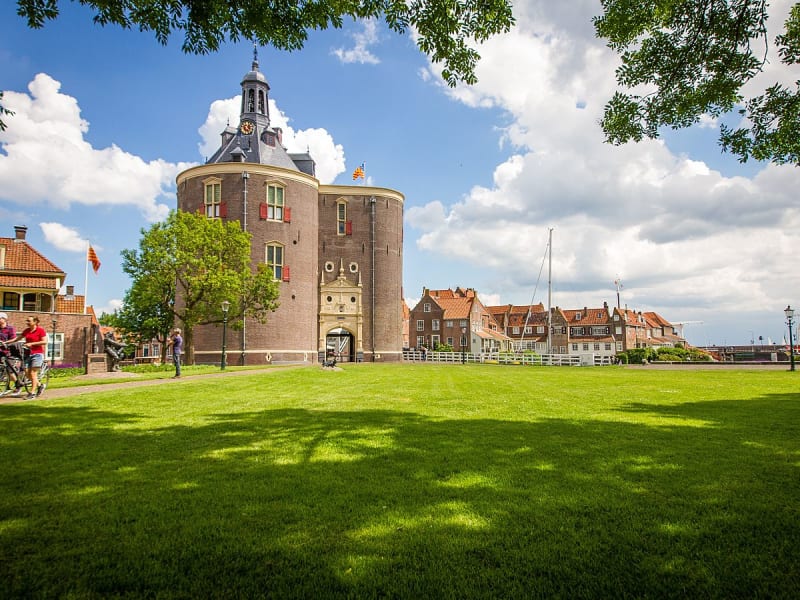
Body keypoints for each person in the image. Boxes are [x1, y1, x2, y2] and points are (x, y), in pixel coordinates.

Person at [5, 315, 48, 399]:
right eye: (27, 321)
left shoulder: (40, 330)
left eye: (29, 321)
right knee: (27, 373)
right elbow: (16, 339)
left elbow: (45, 342)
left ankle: (32, 393)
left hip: (37, 354)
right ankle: (40, 385)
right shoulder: (27, 331)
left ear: (35, 322)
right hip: (27, 353)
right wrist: (5, 342)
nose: (27, 323)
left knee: (33, 374)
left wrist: (31, 344)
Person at [0, 312, 23, 395]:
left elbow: (13, 339)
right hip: (0, 352)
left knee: (10, 371)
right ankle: (7, 386)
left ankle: (18, 385)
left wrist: (5, 342)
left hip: (8, 352)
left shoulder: (10, 328)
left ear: (4, 319)